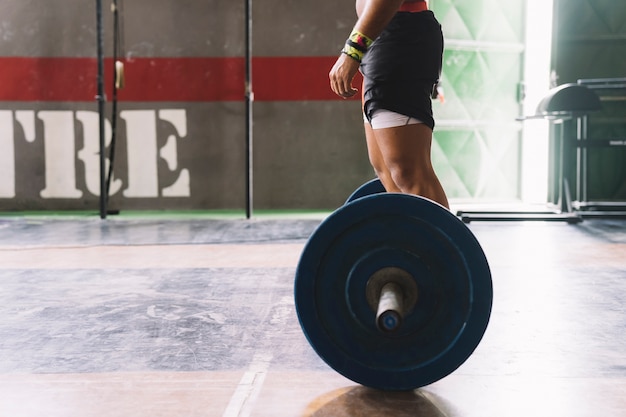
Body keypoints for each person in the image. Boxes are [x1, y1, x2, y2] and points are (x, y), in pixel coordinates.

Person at [329, 0, 449, 209]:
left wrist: (352, 50)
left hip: (398, 36)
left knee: (409, 172)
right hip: (380, 38)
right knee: (387, 172)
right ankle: (412, 241)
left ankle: (448, 242)